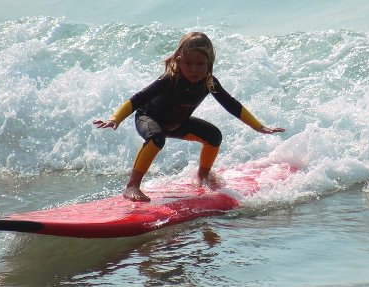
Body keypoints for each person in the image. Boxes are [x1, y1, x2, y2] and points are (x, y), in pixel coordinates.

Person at [93, 32, 285, 202]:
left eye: (200, 64)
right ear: (178, 61)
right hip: (149, 118)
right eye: (188, 64)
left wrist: (259, 127)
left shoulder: (209, 82)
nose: (194, 69)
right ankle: (132, 185)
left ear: (209, 63)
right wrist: (115, 118)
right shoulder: (169, 79)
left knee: (214, 136)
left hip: (177, 124)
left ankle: (203, 176)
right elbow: (138, 99)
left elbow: (232, 105)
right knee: (156, 139)